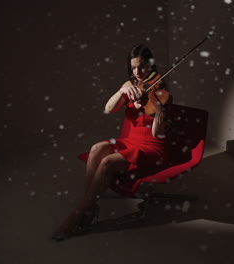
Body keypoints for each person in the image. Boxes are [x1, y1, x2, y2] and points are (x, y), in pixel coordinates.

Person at [52, 44, 170, 241]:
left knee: (107, 162)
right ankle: (89, 207)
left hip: (151, 148)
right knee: (97, 148)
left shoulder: (160, 92)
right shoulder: (131, 86)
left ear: (150, 65)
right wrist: (123, 89)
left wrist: (160, 111)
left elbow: (159, 135)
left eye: (141, 67)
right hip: (130, 141)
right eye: (133, 68)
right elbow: (109, 108)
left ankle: (79, 214)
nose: (137, 72)